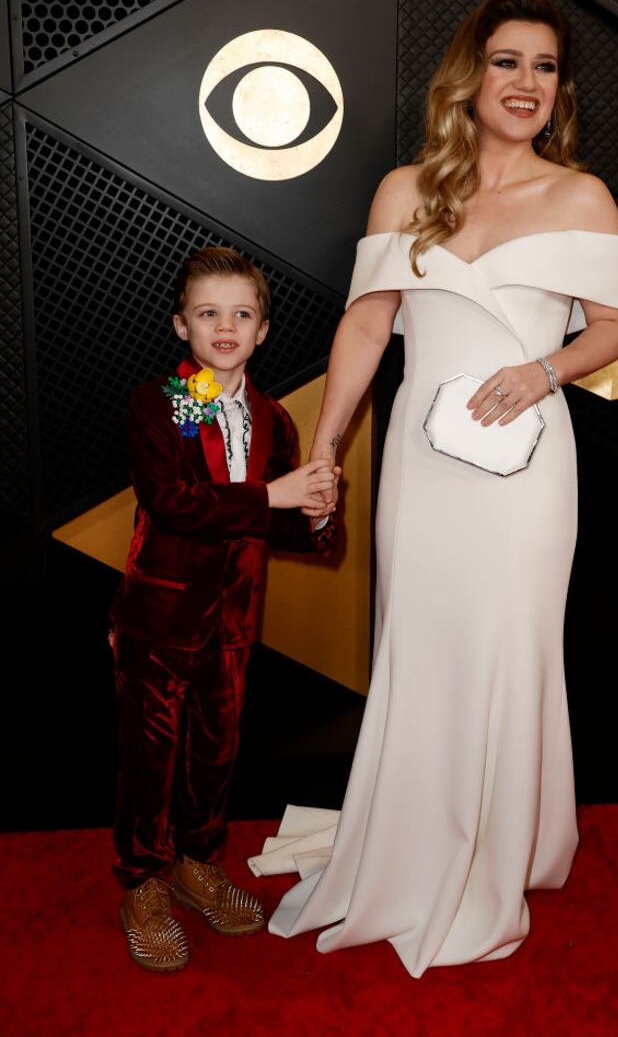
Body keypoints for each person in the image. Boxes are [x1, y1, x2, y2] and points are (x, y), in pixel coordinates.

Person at [252, 0, 618, 977]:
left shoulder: (580, 196)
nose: (525, 84)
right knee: (419, 644)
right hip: (423, 468)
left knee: (506, 646)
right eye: (506, 62)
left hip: (527, 465)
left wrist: (541, 370)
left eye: (543, 67)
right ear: (470, 76)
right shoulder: (403, 189)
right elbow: (366, 326)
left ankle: (495, 852)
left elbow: (612, 325)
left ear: (559, 91)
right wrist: (327, 448)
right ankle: (413, 843)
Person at [110, 245, 338, 972]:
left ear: (264, 330)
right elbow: (173, 504)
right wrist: (275, 496)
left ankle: (197, 863)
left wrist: (320, 513)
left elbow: (275, 523)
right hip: (159, 619)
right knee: (151, 758)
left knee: (215, 752)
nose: (226, 326)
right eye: (209, 313)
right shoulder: (159, 404)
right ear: (182, 326)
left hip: (235, 623)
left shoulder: (273, 418)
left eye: (242, 314)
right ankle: (143, 882)